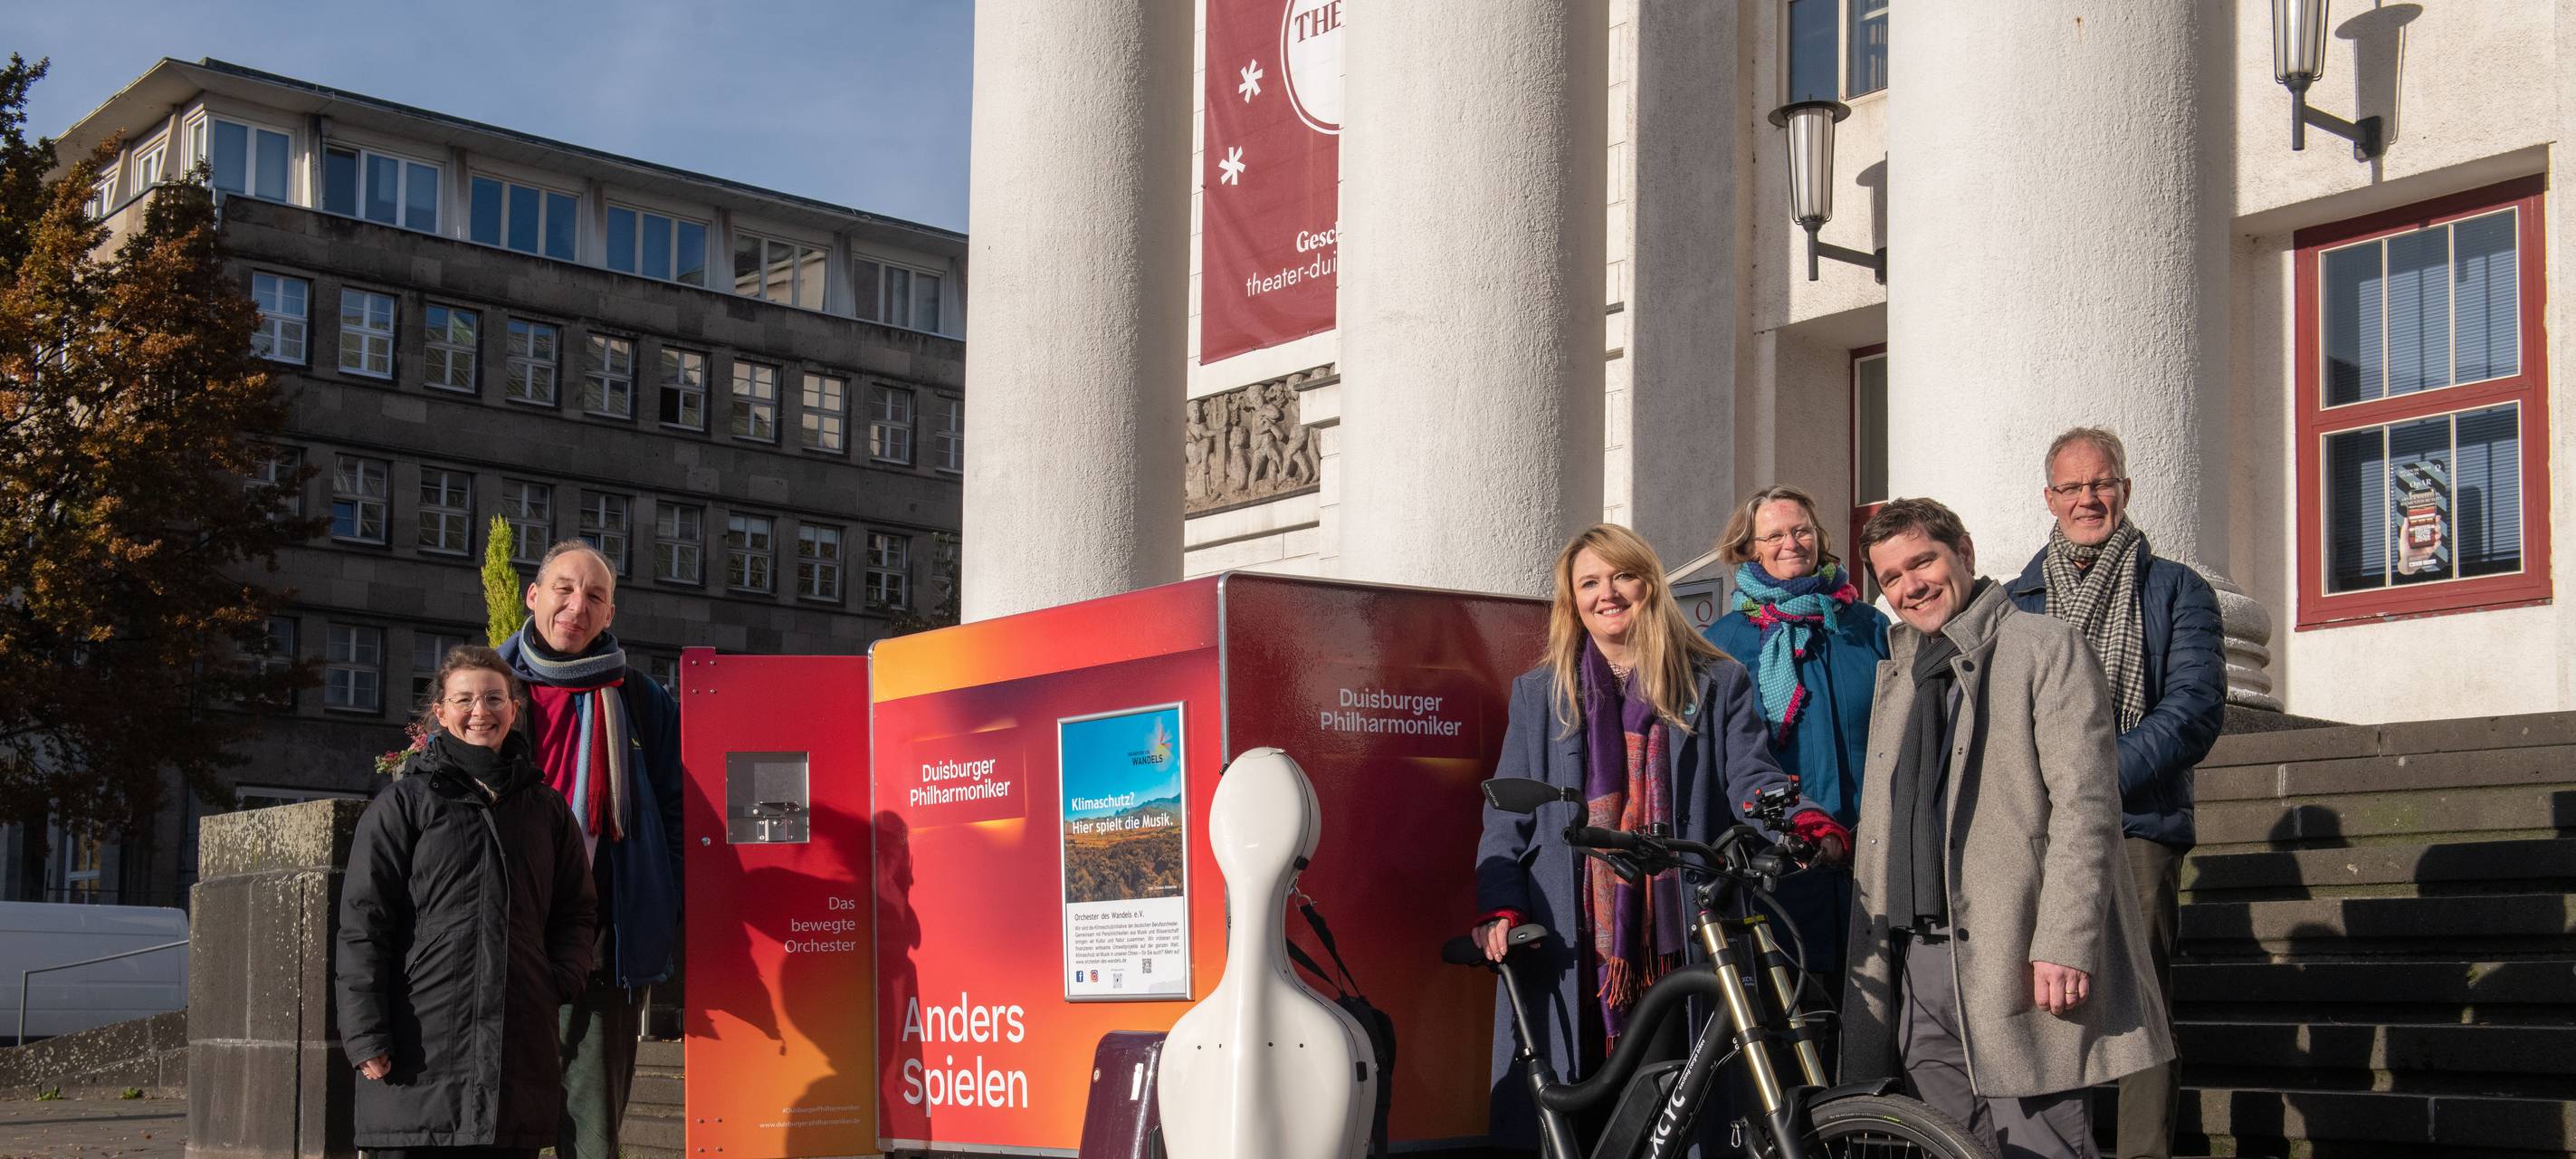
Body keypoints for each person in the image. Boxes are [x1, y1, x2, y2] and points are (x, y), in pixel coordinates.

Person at [1473, 522, 1849, 1151]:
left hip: (1676, 928)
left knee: (1674, 1105)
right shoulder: (1540, 694)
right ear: (1573, 602)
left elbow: (1753, 778)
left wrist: (1801, 820)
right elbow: (1505, 816)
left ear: (1648, 584)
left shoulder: (1715, 681)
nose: (1607, 593)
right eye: (1589, 583)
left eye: (1621, 576)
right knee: (1573, 1101)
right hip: (1572, 937)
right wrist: (1500, 902)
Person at [1842, 498, 2173, 1159]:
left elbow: (2087, 807)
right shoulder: (1899, 674)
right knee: (1946, 1147)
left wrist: (2066, 941)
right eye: (1891, 578)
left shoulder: (2045, 647)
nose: (1910, 586)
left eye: (1922, 561)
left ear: (1963, 550)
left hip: (2018, 953)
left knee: (2038, 1146)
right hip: (1918, 957)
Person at [2008, 426, 2225, 1159]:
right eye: (2070, 488)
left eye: (2100, 483)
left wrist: (2086, 785)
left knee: (2140, 1012)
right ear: (2049, 498)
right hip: (2034, 833)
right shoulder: (2015, 601)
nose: (2087, 499)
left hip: (2136, 824)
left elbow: (2192, 710)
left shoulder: (2174, 589)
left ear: (2124, 490)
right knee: (2037, 1005)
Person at [336, 645, 597, 1159]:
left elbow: (577, 909)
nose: (481, 711)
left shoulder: (545, 809)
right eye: (465, 699)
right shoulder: (404, 804)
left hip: (515, 1048)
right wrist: (365, 1031)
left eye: (494, 698)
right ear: (440, 711)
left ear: (514, 708)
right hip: (419, 1050)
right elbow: (364, 923)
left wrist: (558, 980)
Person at [498, 541, 685, 1159]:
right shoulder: (488, 687)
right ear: (534, 597)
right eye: (564, 589)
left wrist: (667, 901)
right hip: (502, 929)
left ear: (610, 615)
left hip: (604, 933)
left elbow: (675, 809)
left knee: (592, 1130)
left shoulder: (640, 698)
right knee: (493, 1119)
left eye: (595, 597)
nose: (577, 606)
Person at [1703, 485, 1887, 987]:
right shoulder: (1722, 643)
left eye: (1801, 529)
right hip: (1779, 861)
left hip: (1870, 857)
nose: (1792, 542)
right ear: (1749, 548)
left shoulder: (1866, 626)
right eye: (1775, 534)